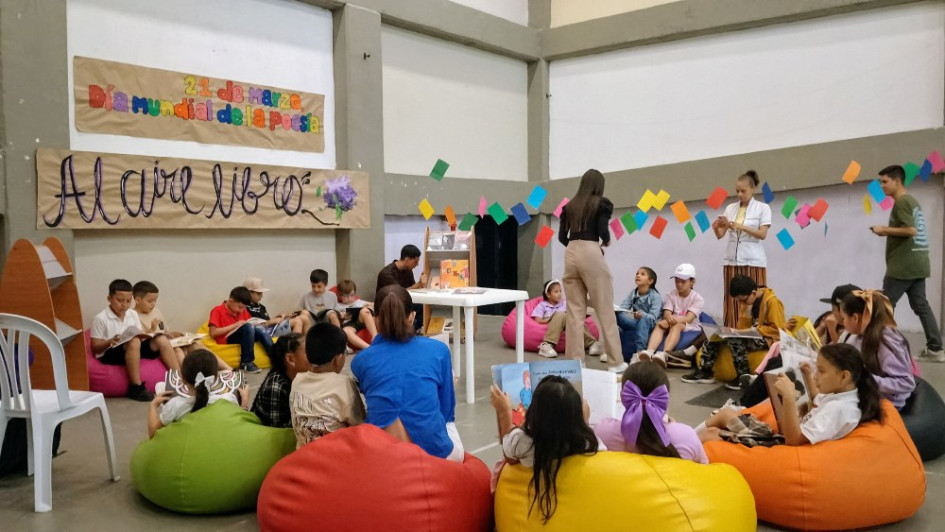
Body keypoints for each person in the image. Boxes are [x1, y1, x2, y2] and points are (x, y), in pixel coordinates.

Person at [352, 285, 463, 461]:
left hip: (381, 455)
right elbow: (447, 412)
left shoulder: (361, 361)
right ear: (412, 316)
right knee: (447, 423)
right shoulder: (439, 350)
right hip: (437, 455)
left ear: (375, 319)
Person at [701, 343, 884, 446]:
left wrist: (788, 398)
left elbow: (794, 440)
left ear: (844, 376)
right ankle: (681, 440)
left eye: (821, 371)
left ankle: (678, 449)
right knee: (724, 416)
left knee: (711, 434)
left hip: (781, 444)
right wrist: (807, 378)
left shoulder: (838, 409)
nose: (815, 375)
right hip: (785, 435)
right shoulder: (846, 395)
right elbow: (818, 403)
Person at [489, 376, 599, 524]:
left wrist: (504, 411)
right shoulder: (589, 442)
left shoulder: (523, 442)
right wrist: (584, 421)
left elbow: (509, 454)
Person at [870, 165, 944, 362]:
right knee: (921, 305)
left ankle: (875, 350)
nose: (882, 186)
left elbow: (911, 230)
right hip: (918, 262)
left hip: (903, 265)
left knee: (883, 307)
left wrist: (884, 229)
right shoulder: (912, 201)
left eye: (885, 182)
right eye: (880, 182)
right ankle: (935, 348)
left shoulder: (902, 202)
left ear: (897, 181)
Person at [558, 169, 623, 371]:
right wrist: (606, 240)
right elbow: (603, 230)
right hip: (590, 249)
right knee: (604, 307)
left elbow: (562, 237)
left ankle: (575, 363)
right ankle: (615, 361)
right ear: (598, 185)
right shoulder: (601, 203)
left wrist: (575, 246)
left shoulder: (569, 206)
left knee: (575, 312)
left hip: (571, 252)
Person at [594, 361, 707, 463]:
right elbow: (702, 473)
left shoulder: (602, 431)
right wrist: (674, 428)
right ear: (665, 399)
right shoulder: (686, 436)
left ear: (623, 397)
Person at [683, 275, 784, 389]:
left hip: (768, 339)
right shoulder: (747, 302)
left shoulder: (772, 302)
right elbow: (741, 328)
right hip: (750, 336)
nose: (741, 303)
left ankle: (743, 376)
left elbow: (777, 330)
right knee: (713, 335)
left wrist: (752, 330)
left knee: (735, 340)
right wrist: (736, 328)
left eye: (743, 300)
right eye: (739, 301)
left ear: (754, 293)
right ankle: (705, 372)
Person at [89, 279, 179, 401]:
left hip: (132, 348)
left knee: (161, 339)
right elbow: (95, 347)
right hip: (109, 352)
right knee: (134, 341)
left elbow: (138, 334)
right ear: (109, 298)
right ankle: (136, 386)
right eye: (120, 301)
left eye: (128, 301)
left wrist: (149, 333)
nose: (124, 305)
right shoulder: (100, 318)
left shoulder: (132, 314)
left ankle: (178, 380)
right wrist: (110, 341)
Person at [289, 323, 365, 448]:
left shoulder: (297, 380)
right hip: (334, 458)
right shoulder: (344, 384)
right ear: (338, 359)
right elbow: (359, 424)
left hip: (303, 455)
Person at [713, 170, 772, 327]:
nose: (739, 194)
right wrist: (716, 227)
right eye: (737, 191)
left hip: (753, 261)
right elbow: (720, 235)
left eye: (743, 191)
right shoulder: (730, 208)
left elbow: (762, 234)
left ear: (752, 189)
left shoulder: (763, 208)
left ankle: (756, 332)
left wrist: (740, 226)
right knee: (732, 301)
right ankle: (732, 334)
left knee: (755, 298)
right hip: (732, 260)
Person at [840, 290, 916, 409]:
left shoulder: (886, 342)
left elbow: (906, 383)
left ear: (855, 318)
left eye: (843, 318)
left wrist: (865, 380)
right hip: (865, 395)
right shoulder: (855, 335)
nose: (843, 323)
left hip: (886, 405)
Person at [147, 350, 249, 438]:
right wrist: (244, 400)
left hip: (186, 451)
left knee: (160, 386)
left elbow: (153, 434)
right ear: (216, 377)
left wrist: (153, 405)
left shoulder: (175, 406)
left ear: (182, 379)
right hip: (219, 447)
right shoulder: (228, 399)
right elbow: (241, 422)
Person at [639, 264, 704, 368]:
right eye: (677, 281)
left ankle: (664, 354)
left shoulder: (697, 298)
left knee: (676, 326)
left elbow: (689, 318)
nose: (679, 284)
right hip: (671, 321)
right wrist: (668, 318)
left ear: (692, 282)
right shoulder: (670, 294)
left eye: (683, 282)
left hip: (689, 325)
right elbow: (667, 312)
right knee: (661, 324)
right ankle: (650, 351)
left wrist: (673, 319)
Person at [208, 286, 272, 373]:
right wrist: (234, 325)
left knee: (259, 328)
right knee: (248, 327)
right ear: (230, 301)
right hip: (226, 338)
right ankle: (246, 362)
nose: (241, 311)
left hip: (245, 336)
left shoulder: (243, 310)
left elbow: (250, 324)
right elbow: (213, 333)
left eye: (243, 308)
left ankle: (275, 356)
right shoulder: (217, 310)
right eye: (240, 307)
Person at [251, 333, 311, 428]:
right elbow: (276, 431)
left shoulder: (304, 376)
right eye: (309, 352)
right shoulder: (276, 386)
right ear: (290, 359)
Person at [533, 279, 600, 359]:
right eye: (556, 292)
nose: (559, 294)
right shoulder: (543, 305)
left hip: (567, 324)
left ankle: (592, 343)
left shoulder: (564, 303)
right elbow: (537, 319)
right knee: (560, 314)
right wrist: (550, 319)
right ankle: (546, 345)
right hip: (553, 324)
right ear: (548, 294)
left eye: (560, 291)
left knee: (571, 316)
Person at [130, 280, 186, 368]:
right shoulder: (132, 316)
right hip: (148, 348)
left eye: (155, 301)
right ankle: (178, 376)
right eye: (150, 301)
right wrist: (151, 329)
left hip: (164, 344)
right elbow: (138, 341)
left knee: (189, 346)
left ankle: (210, 373)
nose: (153, 304)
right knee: (165, 342)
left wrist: (174, 334)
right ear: (137, 300)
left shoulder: (156, 312)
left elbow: (164, 331)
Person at [375, 244, 428, 331]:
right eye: (415, 262)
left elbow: (412, 289)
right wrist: (419, 284)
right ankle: (407, 332)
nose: (417, 264)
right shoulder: (386, 273)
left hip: (402, 301)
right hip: (388, 304)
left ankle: (412, 331)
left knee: (423, 306)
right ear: (407, 260)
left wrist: (422, 285)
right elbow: (399, 292)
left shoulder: (408, 271)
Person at [615, 267, 662, 360]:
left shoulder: (655, 296)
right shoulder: (633, 293)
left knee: (643, 318)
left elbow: (653, 317)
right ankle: (611, 351)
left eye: (642, 274)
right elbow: (623, 308)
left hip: (649, 325)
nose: (638, 275)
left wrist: (642, 315)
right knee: (617, 314)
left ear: (651, 281)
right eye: (637, 273)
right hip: (636, 323)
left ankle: (639, 353)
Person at [243, 277, 308, 336]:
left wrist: (282, 316)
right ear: (249, 293)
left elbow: (268, 320)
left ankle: (308, 346)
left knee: (304, 318)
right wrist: (271, 322)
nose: (262, 296)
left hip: (271, 329)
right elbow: (251, 327)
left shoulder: (261, 307)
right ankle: (296, 348)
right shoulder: (244, 309)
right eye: (259, 293)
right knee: (297, 322)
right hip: (263, 333)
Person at [334, 279, 378, 351]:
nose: (350, 298)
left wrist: (370, 305)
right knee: (346, 331)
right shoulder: (338, 306)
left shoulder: (358, 302)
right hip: (349, 325)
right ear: (339, 295)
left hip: (360, 320)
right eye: (346, 296)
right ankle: (368, 348)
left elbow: (376, 304)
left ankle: (375, 337)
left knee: (364, 311)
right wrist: (342, 317)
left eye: (352, 295)